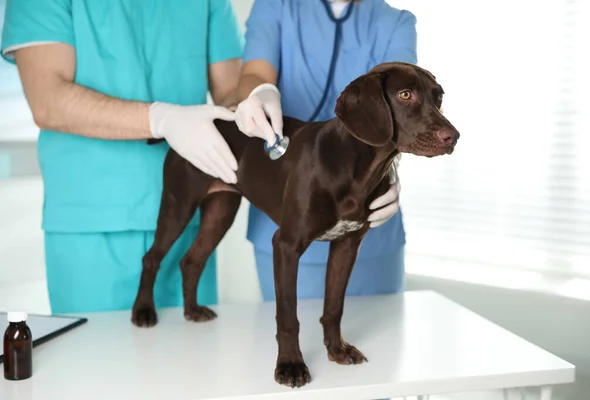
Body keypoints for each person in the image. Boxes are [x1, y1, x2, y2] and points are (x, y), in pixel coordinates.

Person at [0, 0, 244, 314]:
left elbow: (230, 90)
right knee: (98, 358)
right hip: (90, 225)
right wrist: (162, 119)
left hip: (186, 217)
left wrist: (249, 106)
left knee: (193, 354)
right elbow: (47, 100)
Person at [235, 0, 417, 300]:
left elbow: (406, 109)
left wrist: (391, 171)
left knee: (381, 338)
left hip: (370, 227)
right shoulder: (276, 7)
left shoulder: (395, 22)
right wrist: (257, 93)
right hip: (285, 209)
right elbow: (254, 72)